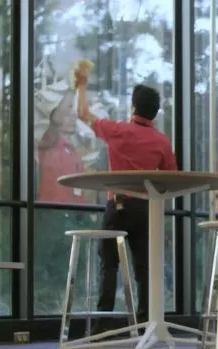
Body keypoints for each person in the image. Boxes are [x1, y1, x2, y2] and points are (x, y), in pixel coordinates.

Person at [73, 67, 178, 333]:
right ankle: (146, 325)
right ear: (155, 113)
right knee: (145, 268)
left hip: (118, 205)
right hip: (145, 209)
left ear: (133, 107)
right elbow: (172, 178)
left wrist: (81, 84)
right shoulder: (161, 142)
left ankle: (102, 327)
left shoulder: (117, 131)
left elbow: (82, 114)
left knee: (109, 265)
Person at [37, 90, 86, 203]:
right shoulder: (50, 140)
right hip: (53, 207)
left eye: (73, 116)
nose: (73, 119)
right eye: (67, 116)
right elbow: (58, 118)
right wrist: (73, 89)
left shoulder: (73, 150)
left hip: (74, 208)